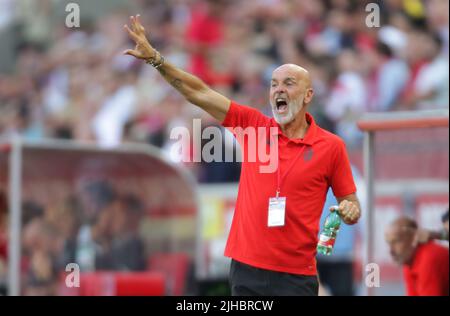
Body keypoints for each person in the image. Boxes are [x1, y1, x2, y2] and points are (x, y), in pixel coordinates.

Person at [123, 15, 361, 296]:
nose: (278, 90)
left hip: (296, 275)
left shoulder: (331, 146)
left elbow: (350, 203)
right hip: (246, 269)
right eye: (273, 84)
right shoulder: (254, 126)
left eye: (288, 83)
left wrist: (350, 209)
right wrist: (156, 60)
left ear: (308, 95)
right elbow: (198, 92)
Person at [385, 216, 449, 296]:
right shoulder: (409, 261)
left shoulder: (428, 258)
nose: (391, 250)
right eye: (389, 243)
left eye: (396, 242)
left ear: (413, 239)